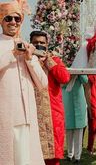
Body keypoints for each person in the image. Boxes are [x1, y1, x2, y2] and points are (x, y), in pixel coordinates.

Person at [0, 0, 48, 165]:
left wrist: (29, 59)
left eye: (17, 18)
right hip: (5, 117)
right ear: (1, 21)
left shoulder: (27, 46)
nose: (13, 22)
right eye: (8, 18)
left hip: (27, 117)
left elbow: (43, 83)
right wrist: (11, 55)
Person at [30, 30, 70, 165]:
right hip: (32, 115)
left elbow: (65, 78)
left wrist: (49, 61)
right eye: (36, 43)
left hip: (53, 116)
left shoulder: (54, 60)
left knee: (53, 158)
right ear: (31, 44)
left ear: (47, 45)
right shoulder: (26, 61)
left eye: (42, 43)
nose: (39, 45)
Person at [63, 75, 88, 163]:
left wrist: (78, 72)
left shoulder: (79, 73)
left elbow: (85, 80)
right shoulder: (65, 71)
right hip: (67, 103)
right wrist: (70, 75)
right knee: (69, 131)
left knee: (78, 131)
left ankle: (77, 156)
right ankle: (70, 154)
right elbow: (61, 83)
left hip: (79, 103)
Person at [84, 75, 96, 155]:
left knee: (93, 126)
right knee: (88, 125)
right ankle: (89, 148)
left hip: (95, 100)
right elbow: (87, 89)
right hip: (91, 101)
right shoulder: (88, 74)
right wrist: (90, 106)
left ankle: (90, 147)